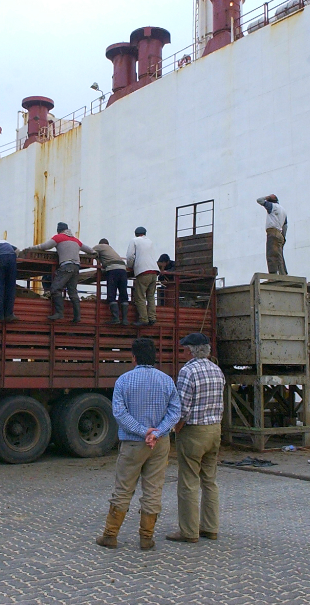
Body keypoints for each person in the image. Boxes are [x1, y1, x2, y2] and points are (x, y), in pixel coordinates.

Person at [96, 337, 181, 551]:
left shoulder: (124, 380)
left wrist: (144, 432)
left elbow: (119, 413)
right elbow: (175, 412)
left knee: (123, 488)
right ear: (155, 357)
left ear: (133, 357)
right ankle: (146, 537)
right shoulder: (166, 380)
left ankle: (110, 535)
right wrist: (157, 432)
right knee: (153, 489)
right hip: (159, 444)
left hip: (133, 443)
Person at [166, 332, 226, 543]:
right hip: (214, 429)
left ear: (191, 350)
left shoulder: (187, 371)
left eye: (184, 348)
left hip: (194, 431)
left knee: (188, 481)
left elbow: (182, 407)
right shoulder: (217, 370)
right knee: (210, 480)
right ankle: (210, 527)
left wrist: (176, 429)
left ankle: (189, 531)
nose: (182, 352)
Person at [27, 222, 94, 323]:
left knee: (55, 289)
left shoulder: (58, 238)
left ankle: (59, 313)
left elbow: (44, 247)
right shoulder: (76, 240)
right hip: (76, 267)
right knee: (73, 292)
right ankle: (77, 316)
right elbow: (89, 250)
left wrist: (30, 248)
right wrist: (95, 253)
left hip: (66, 266)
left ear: (59, 230)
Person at [92, 238, 129, 325]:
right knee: (123, 294)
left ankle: (115, 318)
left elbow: (90, 252)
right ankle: (125, 320)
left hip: (113, 270)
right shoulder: (112, 251)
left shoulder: (100, 246)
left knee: (111, 294)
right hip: (123, 270)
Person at [126, 227, 158, 326]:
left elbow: (130, 256)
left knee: (139, 296)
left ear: (135, 234)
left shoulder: (134, 241)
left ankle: (143, 319)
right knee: (151, 296)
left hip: (143, 271)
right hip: (154, 271)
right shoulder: (150, 242)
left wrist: (130, 266)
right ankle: (152, 318)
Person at [256, 194, 288, 275]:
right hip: (280, 234)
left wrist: (267, 197)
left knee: (271, 255)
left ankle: (273, 275)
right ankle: (282, 273)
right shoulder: (283, 210)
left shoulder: (272, 206)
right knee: (279, 256)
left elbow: (259, 200)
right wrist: (283, 237)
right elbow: (285, 226)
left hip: (272, 232)